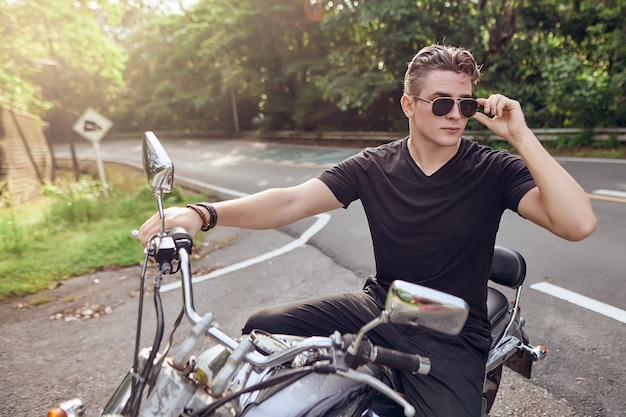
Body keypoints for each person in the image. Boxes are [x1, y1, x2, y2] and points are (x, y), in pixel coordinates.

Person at [137, 44, 596, 416]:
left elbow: (577, 223)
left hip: (450, 327)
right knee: (261, 330)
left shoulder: (492, 169)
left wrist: (520, 135)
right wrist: (203, 214)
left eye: (466, 103)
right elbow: (293, 200)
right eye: (441, 103)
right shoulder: (376, 165)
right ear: (409, 105)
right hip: (382, 304)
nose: (455, 114)